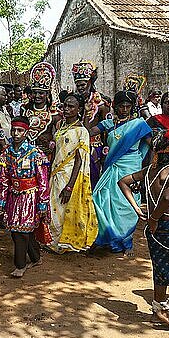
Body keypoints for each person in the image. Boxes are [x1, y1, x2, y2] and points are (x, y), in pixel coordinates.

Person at [119, 120, 169, 330]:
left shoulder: (149, 171)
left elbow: (123, 182)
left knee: (160, 269)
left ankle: (157, 311)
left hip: (153, 230)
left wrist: (139, 210)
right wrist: (154, 217)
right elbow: (167, 196)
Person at [89, 90, 152, 255]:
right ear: (115, 107)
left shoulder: (139, 124)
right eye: (121, 106)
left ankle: (125, 240)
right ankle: (108, 235)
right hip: (111, 167)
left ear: (132, 107)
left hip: (131, 168)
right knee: (100, 199)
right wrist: (89, 112)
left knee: (126, 204)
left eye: (127, 106)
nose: (124, 109)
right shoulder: (109, 124)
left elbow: (151, 143)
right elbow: (89, 131)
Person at [0, 117, 50, 278]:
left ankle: (19, 265)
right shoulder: (7, 153)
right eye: (13, 130)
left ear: (26, 133)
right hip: (14, 196)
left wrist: (43, 201)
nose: (16, 133)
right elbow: (4, 179)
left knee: (24, 231)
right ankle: (35, 257)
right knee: (15, 230)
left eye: (20, 130)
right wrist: (1, 199)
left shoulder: (35, 153)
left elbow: (43, 180)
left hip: (31, 196)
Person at [48, 93, 98, 253]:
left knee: (63, 208)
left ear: (79, 109)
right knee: (53, 207)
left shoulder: (82, 131)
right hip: (56, 174)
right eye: (65, 106)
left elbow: (80, 160)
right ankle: (53, 241)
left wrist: (70, 186)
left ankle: (63, 243)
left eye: (71, 106)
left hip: (69, 175)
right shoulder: (61, 126)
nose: (67, 109)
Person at [72, 61, 110, 188]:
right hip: (76, 146)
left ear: (90, 82)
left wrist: (105, 152)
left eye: (83, 84)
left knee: (93, 182)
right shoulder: (75, 102)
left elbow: (108, 129)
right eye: (78, 85)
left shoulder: (102, 105)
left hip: (95, 147)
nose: (80, 88)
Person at [21, 62, 61, 162]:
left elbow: (60, 136)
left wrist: (51, 143)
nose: (37, 96)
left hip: (46, 156)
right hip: (26, 156)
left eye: (41, 93)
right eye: (35, 92)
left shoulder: (55, 114)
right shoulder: (24, 110)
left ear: (47, 94)